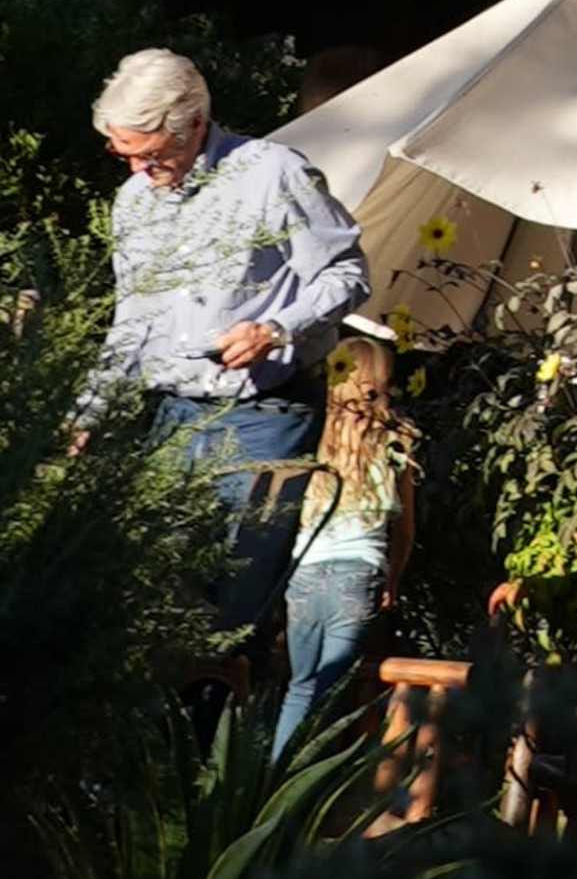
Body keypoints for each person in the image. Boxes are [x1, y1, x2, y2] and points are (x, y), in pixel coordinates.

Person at [80, 46, 367, 638]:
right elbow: (131, 320)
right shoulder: (134, 201)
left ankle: (226, 721)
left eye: (151, 155)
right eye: (122, 153)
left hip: (263, 415)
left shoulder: (273, 174)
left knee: (233, 605)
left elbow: (348, 273)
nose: (137, 170)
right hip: (173, 417)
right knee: (159, 594)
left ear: (193, 125)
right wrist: (89, 412)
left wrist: (276, 327)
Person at [275, 328, 415, 758]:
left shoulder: (312, 434)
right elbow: (406, 527)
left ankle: (267, 788)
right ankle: (301, 795)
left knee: (300, 689)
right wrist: (393, 577)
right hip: (358, 574)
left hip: (304, 572)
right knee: (330, 693)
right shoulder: (395, 443)